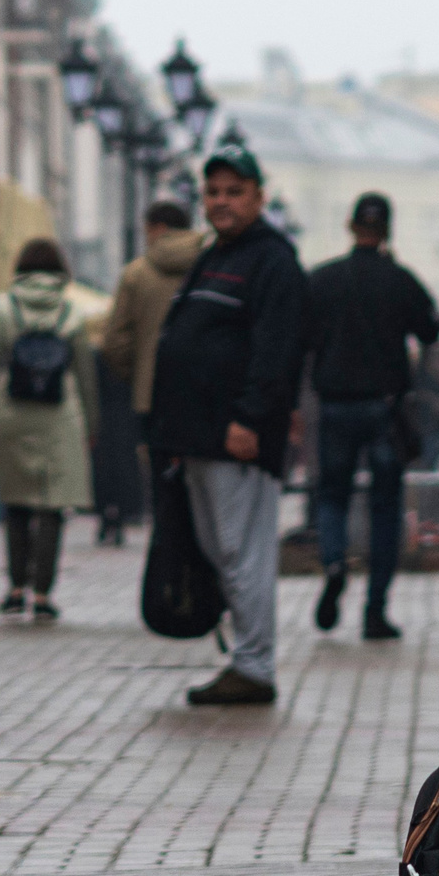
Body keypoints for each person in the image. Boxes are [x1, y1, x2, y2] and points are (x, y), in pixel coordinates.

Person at [148, 138, 306, 705]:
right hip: (196, 436)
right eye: (213, 191)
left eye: (234, 192)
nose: (221, 202)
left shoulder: (272, 261)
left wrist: (250, 419)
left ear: (259, 197)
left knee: (244, 554)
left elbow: (277, 350)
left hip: (236, 437)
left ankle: (255, 666)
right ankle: (246, 657)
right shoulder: (215, 257)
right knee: (220, 553)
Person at [304, 191, 439, 640]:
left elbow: (299, 337)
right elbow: (430, 330)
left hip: (335, 404)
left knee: (331, 495)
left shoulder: (323, 279)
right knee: (386, 508)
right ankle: (375, 609)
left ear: (350, 227)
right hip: (385, 408)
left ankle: (334, 563)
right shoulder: (400, 279)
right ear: (387, 230)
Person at [0, 237, 100, 621]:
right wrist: (93, 423)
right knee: (53, 505)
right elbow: (86, 374)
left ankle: (15, 587)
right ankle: (42, 593)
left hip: (12, 412)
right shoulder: (71, 311)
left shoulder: (3, 308)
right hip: (60, 414)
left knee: (17, 501)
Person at [101, 200, 208, 434]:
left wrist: (140, 374)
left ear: (157, 228)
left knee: (156, 466)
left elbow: (114, 343)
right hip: (204, 394)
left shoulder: (136, 274)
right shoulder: (212, 266)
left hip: (151, 397)